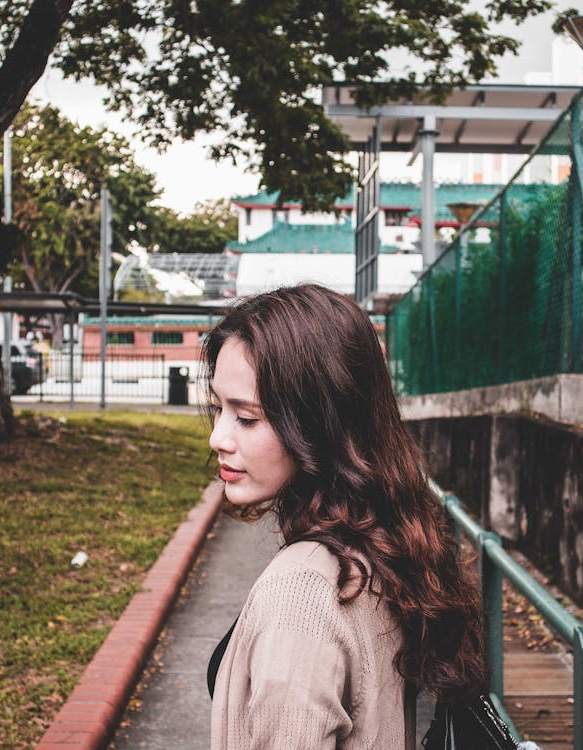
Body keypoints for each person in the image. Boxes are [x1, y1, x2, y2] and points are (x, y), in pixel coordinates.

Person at [204, 284, 487, 750]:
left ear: (320, 422)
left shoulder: (299, 596)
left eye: (247, 417)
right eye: (218, 408)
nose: (218, 436)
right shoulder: (380, 542)